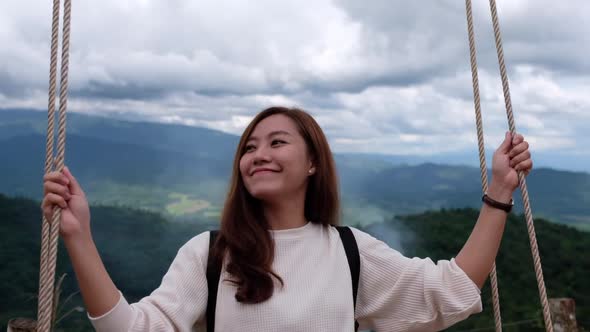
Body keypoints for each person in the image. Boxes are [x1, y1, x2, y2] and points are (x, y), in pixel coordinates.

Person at [42, 106, 533, 332]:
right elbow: (131, 330)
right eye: (249, 147)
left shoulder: (349, 251)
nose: (258, 154)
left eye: (277, 142)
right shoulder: (210, 254)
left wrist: (498, 194)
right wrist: (79, 236)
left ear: (313, 162)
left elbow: (451, 289)